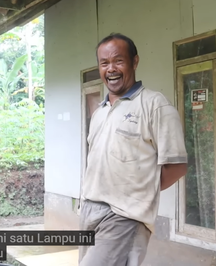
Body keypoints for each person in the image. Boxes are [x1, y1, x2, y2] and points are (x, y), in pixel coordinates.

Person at [78, 33, 188, 266]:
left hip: (125, 216)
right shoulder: (100, 111)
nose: (111, 69)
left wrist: (138, 192)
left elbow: (176, 166)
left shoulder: (154, 105)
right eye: (104, 63)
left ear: (134, 62)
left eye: (118, 61)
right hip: (90, 211)